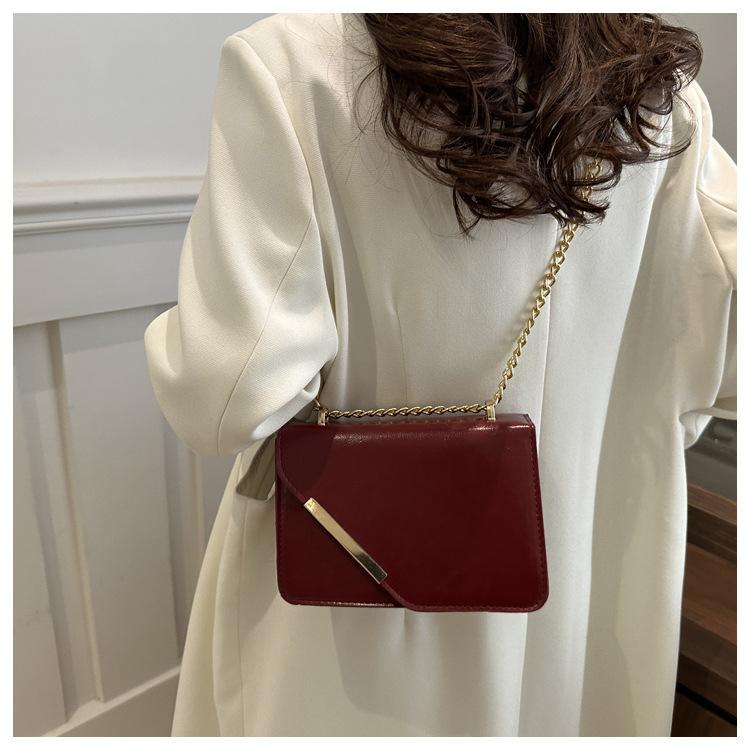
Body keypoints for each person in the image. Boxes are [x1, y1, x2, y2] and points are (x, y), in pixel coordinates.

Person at [143, 13, 736, 736]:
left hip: (351, 622)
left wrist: (171, 333)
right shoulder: (662, 102)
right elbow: (723, 370)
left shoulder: (296, 65)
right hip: (581, 596)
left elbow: (223, 397)